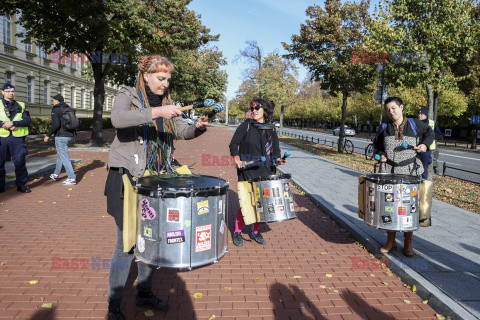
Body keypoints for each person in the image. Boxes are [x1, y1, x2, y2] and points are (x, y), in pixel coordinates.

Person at [104, 55, 208, 320]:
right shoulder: (127, 94)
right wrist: (156, 112)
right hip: (127, 178)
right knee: (126, 244)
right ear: (146, 76)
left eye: (168, 79)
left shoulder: (168, 103)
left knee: (151, 238)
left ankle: (144, 293)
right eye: (161, 78)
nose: (165, 83)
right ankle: (114, 305)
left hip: (157, 180)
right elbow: (117, 119)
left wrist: (197, 127)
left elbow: (181, 131)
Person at [373, 97, 434, 257]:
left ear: (401, 107)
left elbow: (430, 132)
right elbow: (377, 146)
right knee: (389, 207)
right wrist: (380, 155)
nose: (391, 112)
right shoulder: (385, 127)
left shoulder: (415, 124)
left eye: (393, 108)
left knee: (409, 208)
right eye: (388, 110)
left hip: (409, 172)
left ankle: (408, 243)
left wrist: (425, 145)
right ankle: (391, 241)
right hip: (389, 171)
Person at [229, 98, 286, 247]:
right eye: (252, 108)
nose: (253, 110)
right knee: (247, 204)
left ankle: (255, 231)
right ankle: (237, 231)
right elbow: (233, 143)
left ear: (265, 110)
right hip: (247, 170)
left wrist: (279, 160)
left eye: (257, 108)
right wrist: (237, 158)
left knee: (262, 204)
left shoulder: (271, 129)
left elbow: (276, 151)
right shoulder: (246, 125)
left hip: (265, 171)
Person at [0, 83, 31, 193]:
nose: (11, 93)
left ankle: (21, 185)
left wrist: (14, 123)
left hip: (17, 138)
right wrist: (3, 124)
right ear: (3, 92)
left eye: (12, 91)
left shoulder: (21, 105)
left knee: (20, 162)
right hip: (2, 138)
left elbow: (27, 121)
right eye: (8, 91)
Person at [43, 94, 76, 185]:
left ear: (57, 101)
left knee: (65, 158)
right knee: (60, 155)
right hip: (70, 135)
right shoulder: (68, 108)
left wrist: (48, 135)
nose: (52, 101)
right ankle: (56, 174)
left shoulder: (56, 109)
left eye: (53, 100)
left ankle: (72, 178)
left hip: (61, 136)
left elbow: (56, 124)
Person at [418, 108, 442, 177]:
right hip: (418, 147)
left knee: (426, 164)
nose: (419, 115)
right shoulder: (416, 122)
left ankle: (423, 179)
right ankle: (421, 178)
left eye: (421, 114)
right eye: (419, 114)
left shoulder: (432, 123)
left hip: (428, 148)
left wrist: (430, 135)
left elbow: (439, 135)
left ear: (426, 115)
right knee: (421, 164)